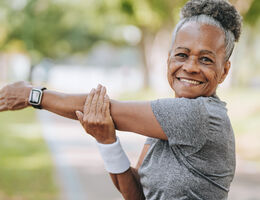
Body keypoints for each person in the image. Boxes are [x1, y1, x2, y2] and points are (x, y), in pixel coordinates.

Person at [0, 0, 242, 199]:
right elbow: (137, 195)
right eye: (182, 54)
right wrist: (107, 141)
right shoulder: (165, 120)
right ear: (168, 59)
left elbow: (103, 107)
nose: (190, 66)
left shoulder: (202, 116)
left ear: (225, 70)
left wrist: (32, 95)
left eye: (206, 59)